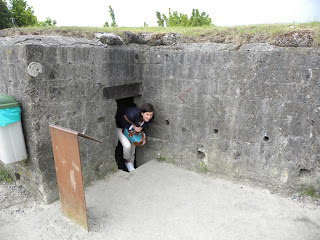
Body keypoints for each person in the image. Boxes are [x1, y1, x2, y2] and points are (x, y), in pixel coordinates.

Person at [116, 103, 154, 172]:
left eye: (151, 115)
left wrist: (143, 137)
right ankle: (127, 162)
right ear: (142, 113)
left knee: (134, 145)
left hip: (131, 131)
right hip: (120, 128)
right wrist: (133, 127)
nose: (149, 117)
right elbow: (121, 121)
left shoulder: (147, 120)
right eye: (147, 114)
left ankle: (131, 164)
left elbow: (142, 129)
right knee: (127, 146)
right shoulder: (132, 114)